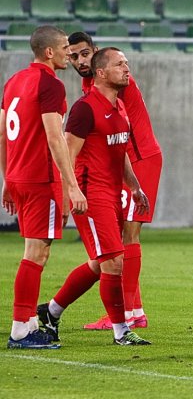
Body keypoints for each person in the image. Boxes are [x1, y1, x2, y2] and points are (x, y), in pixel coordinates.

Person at [37, 48, 151, 346]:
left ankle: (51, 311)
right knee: (114, 261)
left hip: (114, 193)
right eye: (120, 64)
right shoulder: (85, 109)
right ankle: (121, 331)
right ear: (101, 72)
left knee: (101, 263)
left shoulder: (120, 107)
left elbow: (121, 150)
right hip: (91, 196)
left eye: (127, 63)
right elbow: (67, 154)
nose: (127, 69)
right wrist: (71, 192)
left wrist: (135, 186)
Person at [64, 32, 163, 331]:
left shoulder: (113, 81)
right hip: (123, 162)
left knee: (127, 238)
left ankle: (128, 314)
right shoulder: (90, 86)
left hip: (137, 158)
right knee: (120, 240)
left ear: (96, 56)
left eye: (84, 54)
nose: (80, 61)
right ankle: (133, 310)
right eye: (74, 56)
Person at [1, 26, 86, 349]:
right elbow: (55, 138)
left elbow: (2, 134)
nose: (70, 52)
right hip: (40, 179)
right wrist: (72, 186)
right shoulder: (50, 84)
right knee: (37, 253)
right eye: (65, 47)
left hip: (20, 177)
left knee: (33, 251)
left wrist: (8, 177)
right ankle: (21, 328)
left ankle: (28, 322)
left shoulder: (14, 81)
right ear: (49, 52)